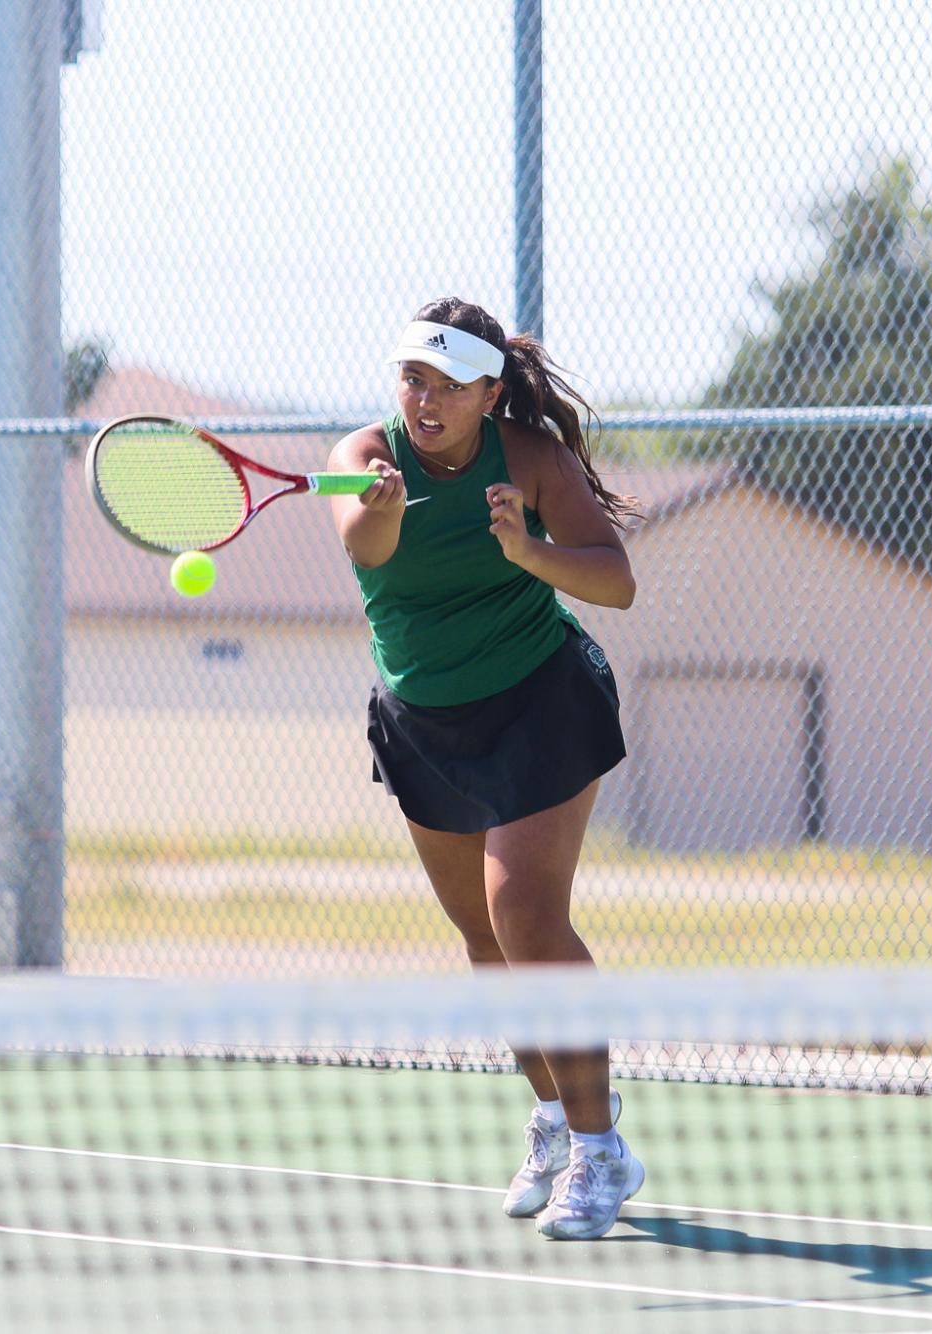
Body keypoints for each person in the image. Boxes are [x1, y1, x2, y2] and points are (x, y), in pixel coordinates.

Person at [327, 298, 642, 1241]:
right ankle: (550, 1120)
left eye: (447, 385)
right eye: (411, 379)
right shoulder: (361, 458)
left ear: (487, 393)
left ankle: (601, 1149)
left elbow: (615, 580)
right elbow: (365, 549)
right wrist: (378, 511)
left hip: (537, 697)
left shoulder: (532, 457)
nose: (424, 401)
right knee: (482, 936)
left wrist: (525, 548)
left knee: (526, 915)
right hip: (422, 717)